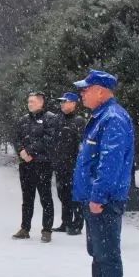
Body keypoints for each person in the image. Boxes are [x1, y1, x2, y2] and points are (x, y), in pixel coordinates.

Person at [70, 70, 134, 277]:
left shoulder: (113, 118)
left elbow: (110, 163)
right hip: (95, 197)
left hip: (104, 199)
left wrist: (98, 196)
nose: (82, 94)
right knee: (97, 250)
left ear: (100, 91)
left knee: (107, 253)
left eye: (86, 89)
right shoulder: (101, 116)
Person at [13, 92, 56, 242]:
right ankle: (25, 228)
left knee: (45, 198)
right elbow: (16, 138)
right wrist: (21, 152)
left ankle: (47, 230)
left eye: (32, 101)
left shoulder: (50, 118)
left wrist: (30, 151)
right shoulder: (23, 119)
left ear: (41, 102)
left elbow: (48, 140)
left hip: (42, 164)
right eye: (28, 101)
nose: (29, 104)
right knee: (27, 198)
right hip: (26, 165)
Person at [50, 92, 86, 235]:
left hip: (73, 166)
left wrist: (78, 163)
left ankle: (77, 224)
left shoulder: (79, 121)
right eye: (61, 102)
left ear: (73, 103)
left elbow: (82, 144)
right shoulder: (58, 120)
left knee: (75, 195)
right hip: (60, 165)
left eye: (65, 101)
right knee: (63, 194)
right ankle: (66, 222)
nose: (62, 104)